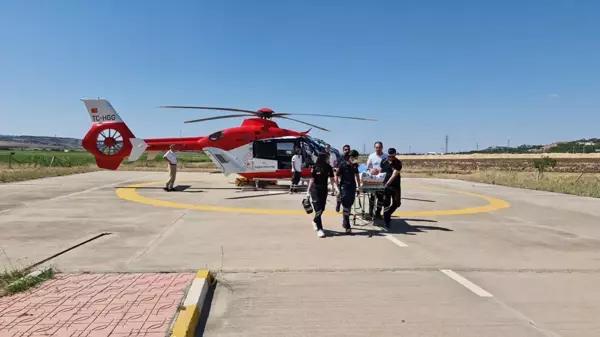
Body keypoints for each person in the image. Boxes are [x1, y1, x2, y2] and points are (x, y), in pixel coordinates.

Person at [306, 152, 335, 238]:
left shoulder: (328, 167)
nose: (327, 159)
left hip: (324, 189)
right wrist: (308, 191)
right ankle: (320, 229)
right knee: (318, 208)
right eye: (326, 157)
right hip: (315, 189)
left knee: (322, 209)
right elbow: (311, 179)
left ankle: (315, 220)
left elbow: (332, 178)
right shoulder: (315, 167)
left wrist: (334, 188)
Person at [335, 149, 361, 233]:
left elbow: (357, 175)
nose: (356, 159)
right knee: (346, 207)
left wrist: (359, 186)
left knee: (349, 206)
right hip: (344, 187)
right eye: (355, 157)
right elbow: (337, 176)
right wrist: (337, 186)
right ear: (350, 157)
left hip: (352, 187)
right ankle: (348, 226)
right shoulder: (342, 165)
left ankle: (344, 222)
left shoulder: (355, 165)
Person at [381, 147, 403, 228]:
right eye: (389, 156)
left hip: (395, 186)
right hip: (385, 186)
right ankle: (386, 220)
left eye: (393, 157)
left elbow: (394, 175)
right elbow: (381, 172)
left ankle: (388, 214)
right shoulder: (383, 162)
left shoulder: (398, 163)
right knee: (386, 203)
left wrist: (387, 184)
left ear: (395, 155)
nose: (391, 158)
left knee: (397, 203)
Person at [366, 141, 388, 219]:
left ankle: (378, 213)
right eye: (376, 147)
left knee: (381, 197)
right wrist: (371, 170)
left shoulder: (386, 157)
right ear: (374, 148)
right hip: (373, 180)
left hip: (382, 180)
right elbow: (367, 167)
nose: (378, 149)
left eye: (379, 147)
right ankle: (370, 212)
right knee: (372, 196)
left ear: (382, 147)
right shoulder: (371, 156)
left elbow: (388, 168)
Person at [335, 144, 351, 212]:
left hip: (349, 179)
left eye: (348, 150)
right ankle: (338, 203)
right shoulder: (340, 158)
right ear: (343, 150)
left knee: (348, 195)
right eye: (345, 150)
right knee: (339, 194)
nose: (346, 151)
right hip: (340, 178)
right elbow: (336, 169)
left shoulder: (352, 159)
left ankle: (347, 208)